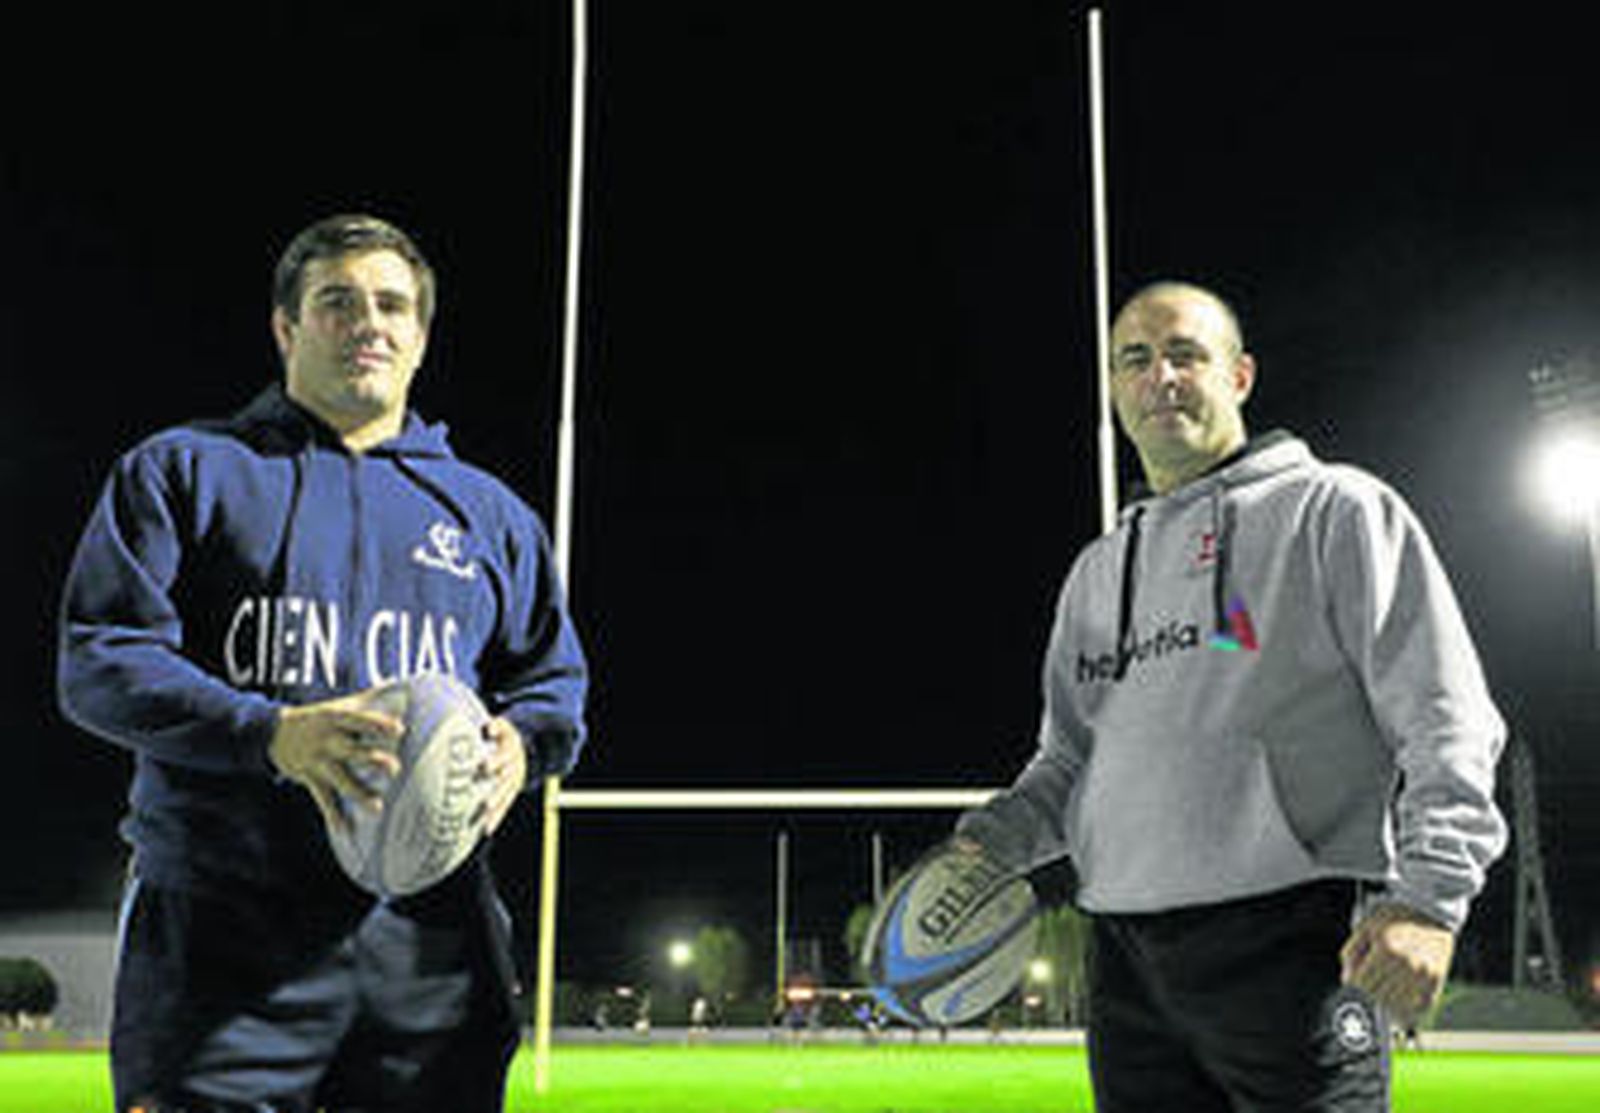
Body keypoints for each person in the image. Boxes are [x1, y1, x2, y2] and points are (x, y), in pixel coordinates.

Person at [57, 213, 588, 1112]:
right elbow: (100, 657)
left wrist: (521, 749)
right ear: (285, 327)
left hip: (430, 944)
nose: (367, 322)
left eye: (391, 304)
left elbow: (553, 686)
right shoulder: (184, 471)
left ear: (419, 337)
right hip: (222, 934)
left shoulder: (489, 515)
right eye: (336, 301)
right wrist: (270, 733)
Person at [955, 281, 1506, 1111]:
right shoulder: (1097, 573)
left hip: (1294, 942)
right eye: (1134, 360)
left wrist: (1429, 897)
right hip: (1126, 964)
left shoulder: (1337, 509)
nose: (1160, 377)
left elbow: (1445, 715)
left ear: (1240, 376)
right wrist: (985, 846)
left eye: (1186, 354)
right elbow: (1069, 760)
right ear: (1113, 388)